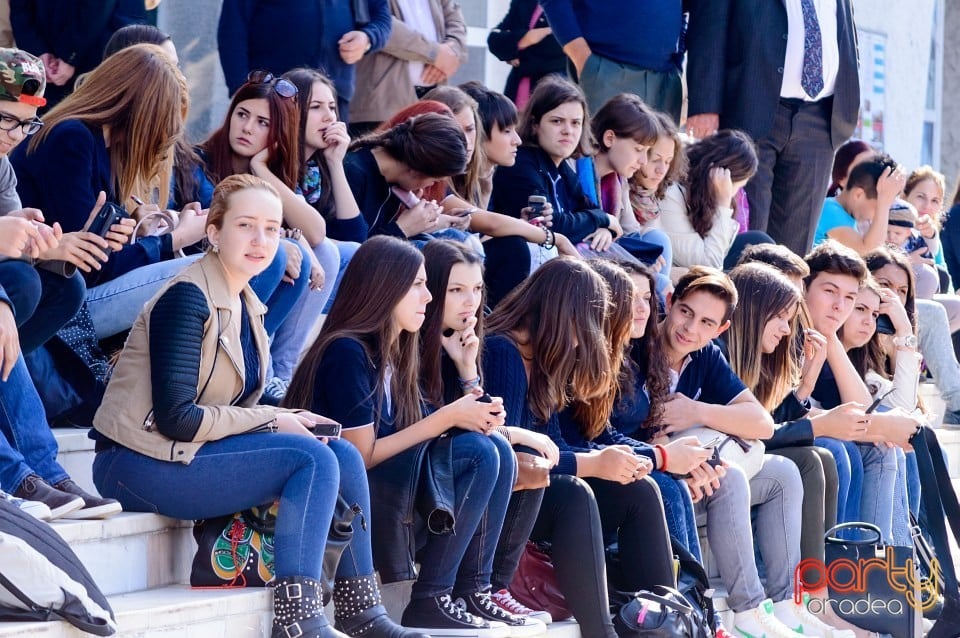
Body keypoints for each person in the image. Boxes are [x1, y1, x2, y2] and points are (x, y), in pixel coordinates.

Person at [92, 175, 420, 638]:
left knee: (342, 452)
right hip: (136, 461)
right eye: (246, 225)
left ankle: (360, 611)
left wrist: (292, 415)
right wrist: (274, 419)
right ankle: (298, 619)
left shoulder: (246, 301)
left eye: (272, 228)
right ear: (214, 232)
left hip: (185, 453)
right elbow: (177, 417)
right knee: (311, 459)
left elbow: (234, 397)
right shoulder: (187, 298)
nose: (261, 240)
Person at [286, 236, 536, 637]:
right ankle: (431, 597)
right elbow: (359, 456)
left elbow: (426, 435)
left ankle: (472, 588)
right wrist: (448, 416)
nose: (429, 295)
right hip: (345, 498)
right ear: (384, 289)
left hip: (387, 489)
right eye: (418, 285)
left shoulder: (396, 352)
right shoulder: (346, 352)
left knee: (498, 451)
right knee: (480, 454)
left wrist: (468, 374)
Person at [481, 258, 676, 638]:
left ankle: (664, 622)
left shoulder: (540, 358)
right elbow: (519, 463)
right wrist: (594, 464)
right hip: (500, 502)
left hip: (530, 496)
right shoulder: (504, 351)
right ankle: (601, 632)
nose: (581, 339)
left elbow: (551, 445)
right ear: (558, 311)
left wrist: (613, 463)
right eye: (582, 325)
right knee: (573, 494)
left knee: (639, 489)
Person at [0, 47, 121, 522]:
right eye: (7, 120)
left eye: (26, 125)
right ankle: (17, 475)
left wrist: (39, 243)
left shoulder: (2, 163)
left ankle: (44, 469)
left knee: (59, 289)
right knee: (18, 289)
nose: (15, 136)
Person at [10, 44, 200, 339]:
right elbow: (89, 266)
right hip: (51, 295)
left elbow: (97, 250)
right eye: (164, 120)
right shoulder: (72, 139)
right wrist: (175, 239)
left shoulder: (106, 148)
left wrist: (131, 233)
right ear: (143, 111)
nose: (164, 135)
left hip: (58, 290)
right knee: (197, 269)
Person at [420, 239, 559, 625]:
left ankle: (483, 589)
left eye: (477, 289)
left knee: (521, 459)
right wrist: (512, 433)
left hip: (444, 467)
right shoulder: (411, 344)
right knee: (493, 451)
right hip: (412, 474)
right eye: (456, 290)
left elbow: (480, 420)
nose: (470, 302)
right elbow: (442, 427)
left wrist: (467, 370)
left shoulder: (462, 346)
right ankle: (456, 590)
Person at [685, 0, 860, 256]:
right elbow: (709, 27)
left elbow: (844, 31)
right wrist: (704, 104)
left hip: (821, 117)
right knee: (747, 232)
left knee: (794, 249)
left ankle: (784, 297)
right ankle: (742, 295)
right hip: (750, 107)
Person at [488, 76, 621, 304]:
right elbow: (552, 227)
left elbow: (588, 210)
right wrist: (604, 219)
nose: (568, 131)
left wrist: (605, 228)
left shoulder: (560, 166)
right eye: (557, 121)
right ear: (535, 124)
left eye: (576, 123)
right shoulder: (522, 163)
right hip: (519, 275)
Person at [217, 0, 392, 123]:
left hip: (332, 101)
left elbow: (382, 17)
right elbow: (232, 30)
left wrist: (367, 38)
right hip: (273, 95)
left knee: (324, 172)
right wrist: (242, 90)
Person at [539, 0, 685, 120]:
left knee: (659, 154)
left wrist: (678, 60)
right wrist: (583, 58)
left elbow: (689, 9)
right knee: (599, 151)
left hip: (665, 79)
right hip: (606, 69)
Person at [656, 129, 770, 276]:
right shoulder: (671, 194)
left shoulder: (701, 196)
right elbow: (709, 266)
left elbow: (722, 252)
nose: (734, 194)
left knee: (759, 241)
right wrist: (722, 204)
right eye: (737, 187)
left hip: (701, 264)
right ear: (718, 177)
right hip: (684, 273)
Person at [340, 111, 468, 242]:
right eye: (434, 180)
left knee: (458, 237)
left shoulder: (393, 180)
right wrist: (403, 228)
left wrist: (431, 221)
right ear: (415, 171)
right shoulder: (352, 173)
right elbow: (352, 247)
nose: (430, 185)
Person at [350, 0, 467, 135]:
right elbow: (379, 22)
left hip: (433, 102)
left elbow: (455, 18)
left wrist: (452, 53)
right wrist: (435, 53)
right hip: (381, 105)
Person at [9, 0, 146, 108]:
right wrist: (39, 52)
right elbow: (20, 8)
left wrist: (69, 56)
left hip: (103, 48)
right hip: (47, 58)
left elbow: (98, 6)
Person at [813, 154, 903, 253]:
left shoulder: (841, 213)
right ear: (858, 195)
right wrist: (884, 204)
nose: (877, 216)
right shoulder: (831, 212)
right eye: (878, 207)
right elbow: (869, 253)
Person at [486, 0, 566, 110]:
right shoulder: (523, 2)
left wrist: (515, 48)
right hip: (518, 87)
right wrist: (529, 37)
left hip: (555, 87)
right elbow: (494, 39)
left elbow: (559, 45)